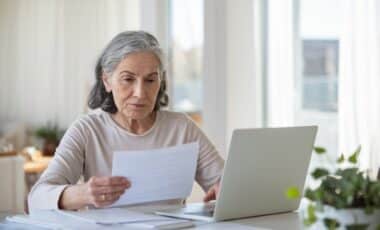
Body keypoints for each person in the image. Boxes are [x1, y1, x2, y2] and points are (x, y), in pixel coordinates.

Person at [28, 31, 224, 212]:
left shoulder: (181, 128)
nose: (140, 94)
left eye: (150, 80)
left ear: (160, 82)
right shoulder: (87, 130)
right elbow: (36, 198)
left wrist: (225, 189)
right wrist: (84, 193)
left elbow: (225, 183)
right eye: (128, 79)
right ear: (106, 80)